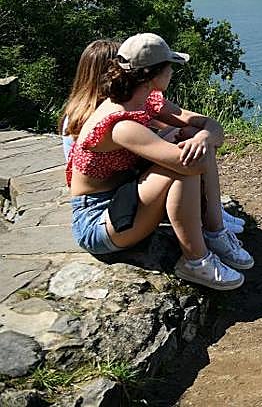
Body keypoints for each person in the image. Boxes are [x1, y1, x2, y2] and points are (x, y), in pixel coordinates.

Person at [67, 33, 252, 290]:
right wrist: (196, 141)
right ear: (153, 75)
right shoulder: (120, 123)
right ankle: (197, 261)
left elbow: (211, 126)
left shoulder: (143, 100)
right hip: (99, 222)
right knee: (185, 164)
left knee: (194, 143)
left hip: (125, 199)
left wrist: (204, 135)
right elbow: (192, 165)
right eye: (170, 67)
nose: (172, 73)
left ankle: (215, 231)